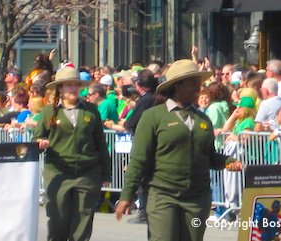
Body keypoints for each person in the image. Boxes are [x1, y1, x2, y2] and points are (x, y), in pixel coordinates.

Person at [114, 59, 242, 241]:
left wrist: (228, 161)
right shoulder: (153, 117)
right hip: (162, 196)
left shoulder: (202, 120)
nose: (199, 87)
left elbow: (210, 156)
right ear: (178, 85)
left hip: (198, 198)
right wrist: (127, 195)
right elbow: (138, 160)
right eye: (193, 82)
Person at [33, 66, 111, 241]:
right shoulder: (49, 112)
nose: (73, 89)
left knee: (83, 221)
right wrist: (40, 143)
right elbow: (36, 138)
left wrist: (106, 173)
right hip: (58, 173)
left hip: (87, 173)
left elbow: (100, 143)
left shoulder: (91, 110)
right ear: (60, 88)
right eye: (68, 85)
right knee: (57, 219)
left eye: (76, 85)